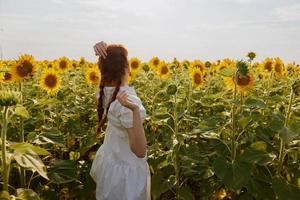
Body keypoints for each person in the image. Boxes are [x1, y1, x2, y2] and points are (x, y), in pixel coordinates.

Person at [90, 41, 151, 200]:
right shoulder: (128, 102)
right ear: (127, 69)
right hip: (127, 178)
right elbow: (139, 150)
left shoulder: (104, 93)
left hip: (111, 167)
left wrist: (101, 52)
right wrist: (135, 111)